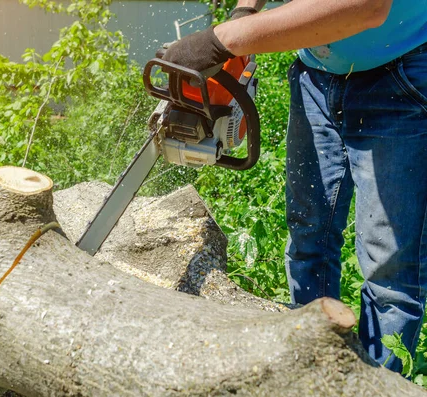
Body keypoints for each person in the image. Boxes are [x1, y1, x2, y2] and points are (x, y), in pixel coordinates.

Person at [162, 0, 427, 373]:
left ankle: (379, 381)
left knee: (390, 267)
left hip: (398, 72)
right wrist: (245, 11)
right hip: (315, 77)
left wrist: (222, 40)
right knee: (308, 238)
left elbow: (367, 6)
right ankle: (310, 371)